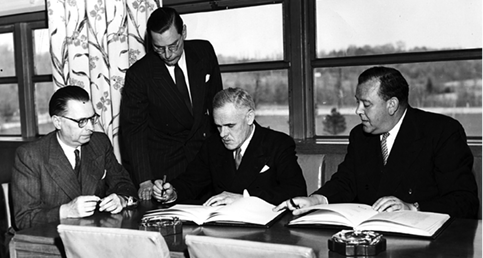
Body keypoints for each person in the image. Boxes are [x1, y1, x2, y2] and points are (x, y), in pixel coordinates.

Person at [275, 66, 478, 219]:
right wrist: (314, 200)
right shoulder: (360, 136)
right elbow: (346, 181)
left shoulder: (442, 132)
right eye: (357, 102)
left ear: (391, 105)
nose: (357, 111)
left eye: (366, 104)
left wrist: (412, 208)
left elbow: (464, 201)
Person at [120, 6, 223, 200]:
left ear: (183, 32)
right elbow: (134, 130)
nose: (168, 54)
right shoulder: (140, 74)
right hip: (167, 168)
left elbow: (217, 104)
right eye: (159, 48)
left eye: (173, 45)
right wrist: (144, 180)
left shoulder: (204, 51)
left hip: (205, 163)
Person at [12, 85, 138, 230]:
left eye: (92, 119)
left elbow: (124, 183)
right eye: (81, 121)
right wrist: (66, 211)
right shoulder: (30, 155)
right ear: (58, 122)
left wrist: (121, 199)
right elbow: (24, 219)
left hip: (91, 234)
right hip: (48, 239)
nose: (90, 128)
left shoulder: (100, 143)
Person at [153, 87, 307, 206]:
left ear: (249, 117)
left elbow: (296, 190)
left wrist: (246, 198)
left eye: (230, 125)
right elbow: (191, 182)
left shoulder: (278, 143)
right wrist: (172, 192)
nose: (222, 134)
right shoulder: (213, 145)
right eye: (218, 126)